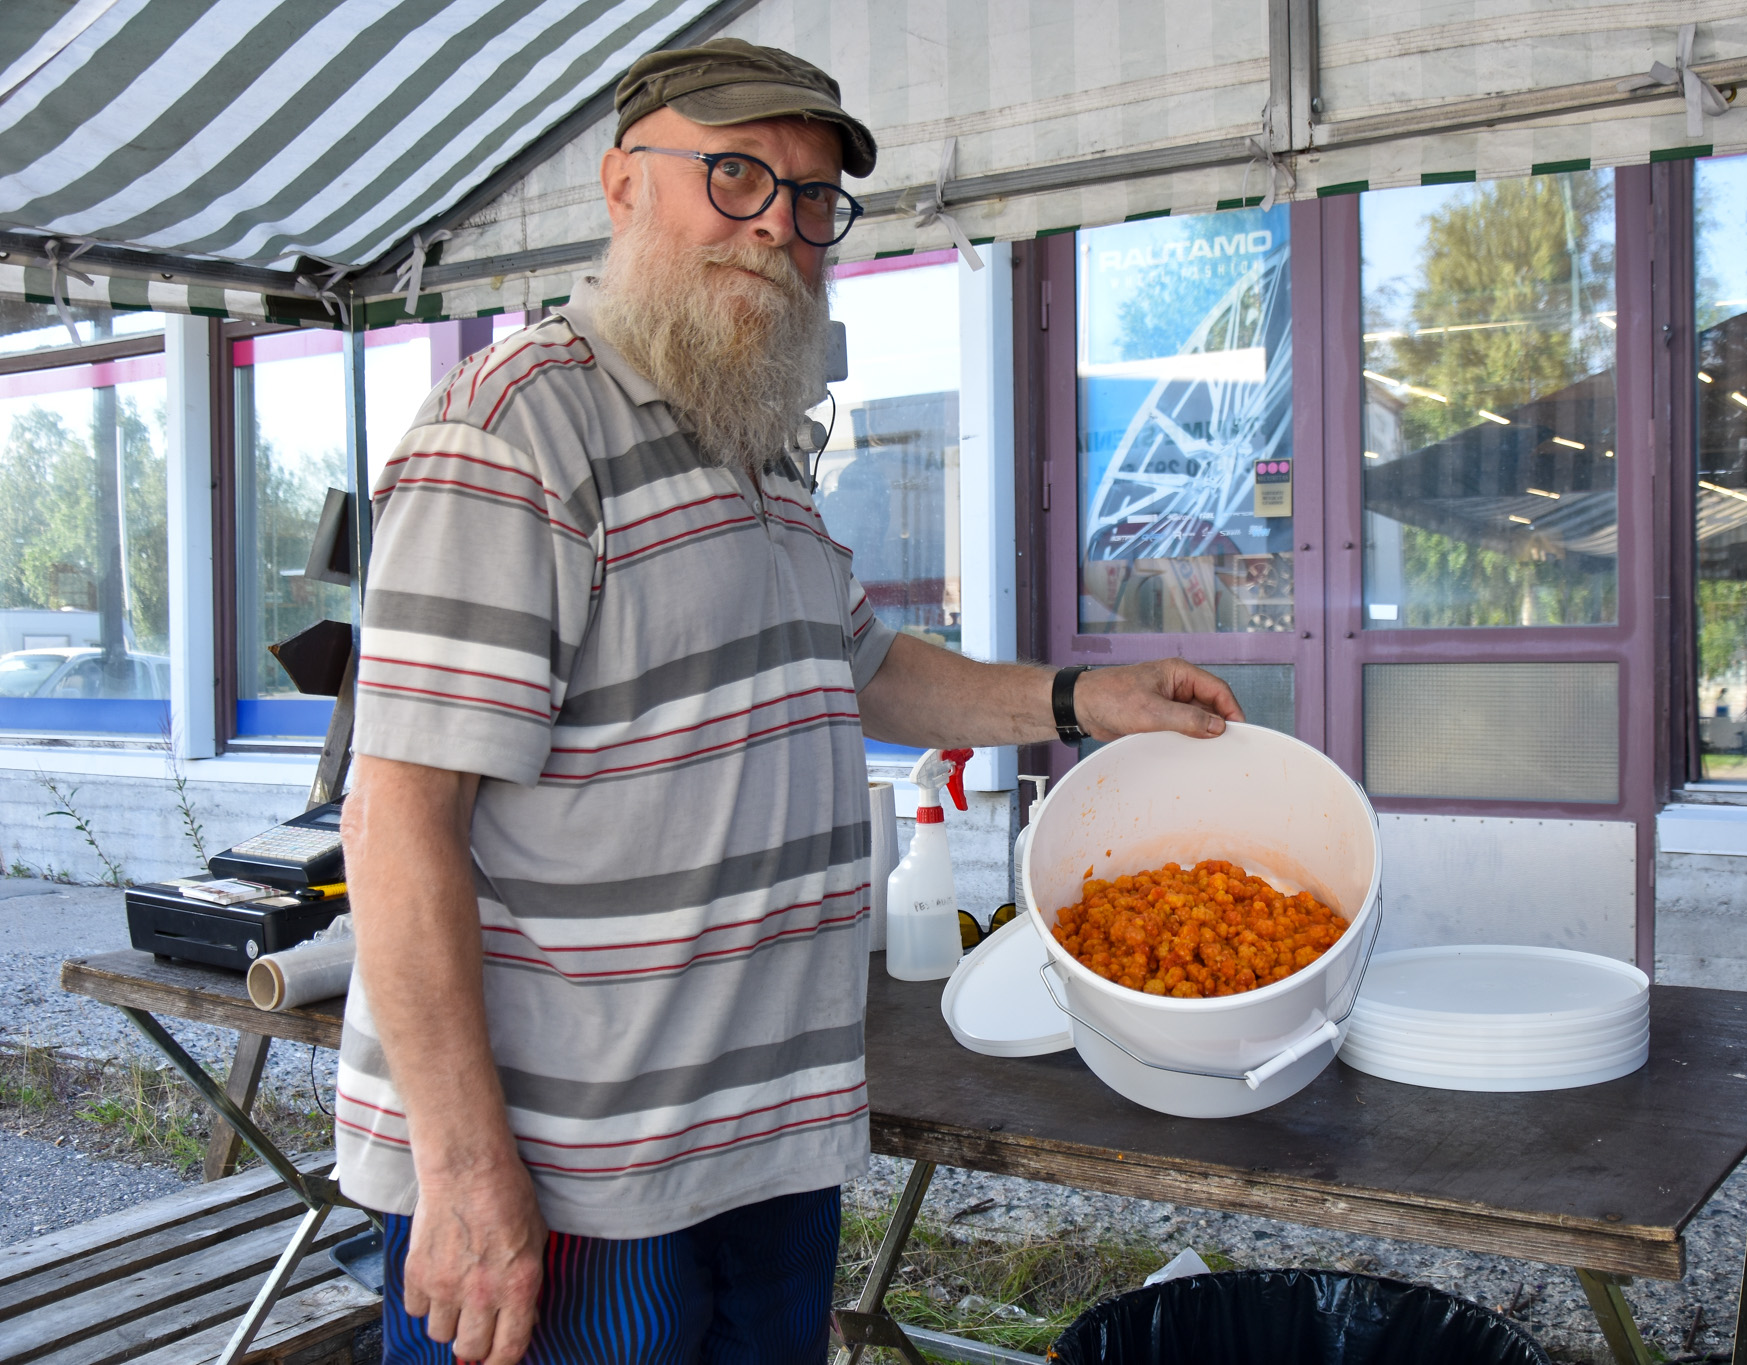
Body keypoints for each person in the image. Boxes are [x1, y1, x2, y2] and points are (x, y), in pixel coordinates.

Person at [336, 37, 1243, 1365]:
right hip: (582, 1174)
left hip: (757, 1146)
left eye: (813, 198)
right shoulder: (514, 432)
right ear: (622, 186)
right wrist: (468, 1174)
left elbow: (865, 668)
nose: (780, 225)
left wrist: (1079, 696)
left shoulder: (748, 440)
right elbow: (397, 819)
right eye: (739, 175)